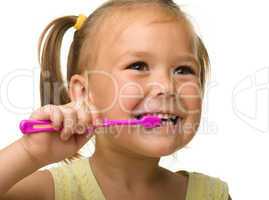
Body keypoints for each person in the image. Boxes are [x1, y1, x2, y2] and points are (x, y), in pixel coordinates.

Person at [0, 0, 231, 199]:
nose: (166, 86)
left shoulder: (211, 195)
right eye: (138, 66)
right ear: (83, 92)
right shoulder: (50, 192)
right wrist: (29, 153)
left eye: (183, 70)